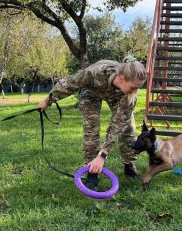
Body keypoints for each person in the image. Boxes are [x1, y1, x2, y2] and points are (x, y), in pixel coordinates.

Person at [38, 55, 147, 189]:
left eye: (138, 88)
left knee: (127, 128)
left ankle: (129, 166)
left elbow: (117, 125)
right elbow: (68, 84)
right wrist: (47, 100)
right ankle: (92, 173)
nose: (136, 91)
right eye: (133, 87)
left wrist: (103, 154)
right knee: (91, 129)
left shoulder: (130, 95)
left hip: (117, 96)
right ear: (122, 78)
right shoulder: (94, 73)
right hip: (91, 92)